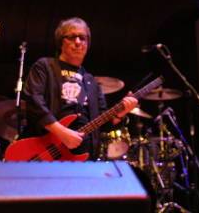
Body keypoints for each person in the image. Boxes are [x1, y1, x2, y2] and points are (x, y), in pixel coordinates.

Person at [23, 17, 138, 159]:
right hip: (48, 152)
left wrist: (121, 113)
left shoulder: (91, 82)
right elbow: (33, 101)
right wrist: (61, 133)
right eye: (71, 37)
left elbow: (104, 124)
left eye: (82, 38)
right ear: (60, 42)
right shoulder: (45, 66)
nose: (78, 42)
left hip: (84, 160)